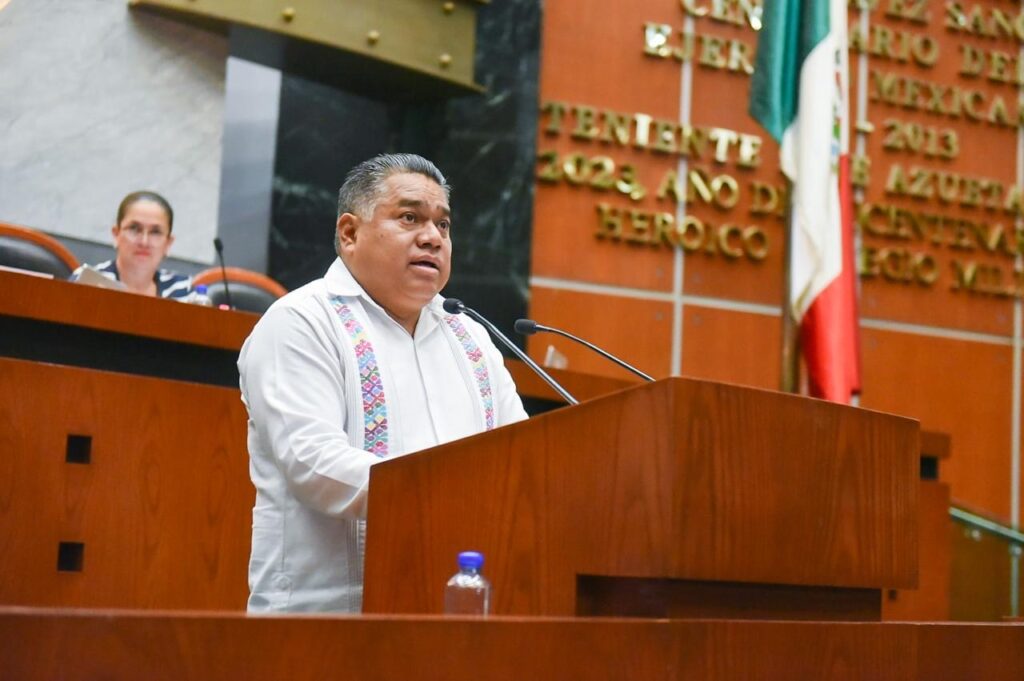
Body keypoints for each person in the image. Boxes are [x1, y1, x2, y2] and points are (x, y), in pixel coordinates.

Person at [238, 153, 528, 613]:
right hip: (326, 622)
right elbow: (315, 465)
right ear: (349, 233)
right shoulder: (301, 321)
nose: (432, 237)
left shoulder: (470, 336)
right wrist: (452, 495)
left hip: (455, 612)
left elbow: (522, 459)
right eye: (410, 218)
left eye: (443, 224)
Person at [69, 190, 191, 299]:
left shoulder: (184, 291)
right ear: (116, 234)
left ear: (168, 243)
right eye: (134, 228)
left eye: (155, 232)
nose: (144, 242)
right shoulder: (87, 281)